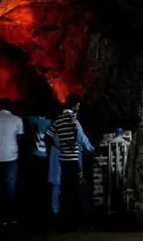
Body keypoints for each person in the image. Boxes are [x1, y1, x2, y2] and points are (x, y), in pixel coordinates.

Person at [46, 93, 92, 225]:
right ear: (74, 105)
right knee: (73, 186)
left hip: (57, 156)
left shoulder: (56, 121)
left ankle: (56, 213)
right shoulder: (73, 120)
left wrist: (57, 145)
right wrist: (92, 149)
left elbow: (48, 136)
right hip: (71, 158)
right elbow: (82, 139)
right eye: (78, 105)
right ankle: (74, 216)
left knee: (57, 184)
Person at [23, 110, 51, 219]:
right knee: (44, 184)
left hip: (35, 155)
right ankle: (44, 210)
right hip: (45, 156)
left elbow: (26, 118)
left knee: (35, 183)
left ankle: (35, 210)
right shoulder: (50, 121)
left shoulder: (33, 119)